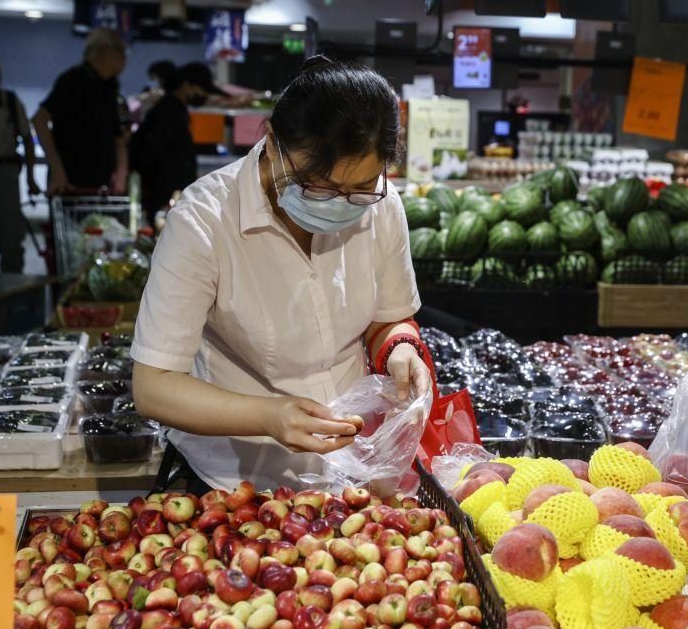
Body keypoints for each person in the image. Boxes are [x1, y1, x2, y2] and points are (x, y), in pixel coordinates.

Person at [131, 56, 430, 493]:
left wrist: (400, 349)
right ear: (273, 142)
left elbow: (388, 317)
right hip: (235, 481)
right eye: (318, 185)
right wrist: (268, 415)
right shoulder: (204, 221)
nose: (338, 203)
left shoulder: (382, 208)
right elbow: (153, 387)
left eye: (360, 188)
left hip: (352, 472)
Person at [32, 28, 128, 194]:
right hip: (70, 184)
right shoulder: (74, 79)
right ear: (102, 49)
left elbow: (118, 139)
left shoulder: (109, 87)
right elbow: (39, 120)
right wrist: (57, 171)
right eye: (120, 50)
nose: (124, 58)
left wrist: (121, 173)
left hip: (102, 187)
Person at [131, 63, 219, 224]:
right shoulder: (169, 112)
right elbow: (154, 153)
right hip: (164, 196)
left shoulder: (171, 109)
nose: (203, 95)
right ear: (187, 85)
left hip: (167, 195)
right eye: (201, 89)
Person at [0, 48, 38, 273]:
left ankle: (13, 302)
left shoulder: (11, 103)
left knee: (11, 243)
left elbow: (27, 140)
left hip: (4, 176)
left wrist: (31, 178)